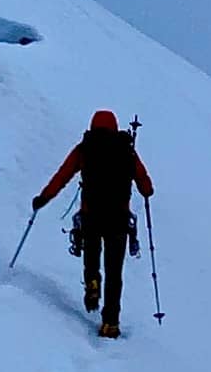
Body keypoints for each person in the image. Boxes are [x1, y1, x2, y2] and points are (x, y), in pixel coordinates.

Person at [34, 109, 152, 337]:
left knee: (92, 259)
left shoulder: (85, 149)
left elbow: (63, 175)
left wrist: (44, 198)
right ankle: (111, 323)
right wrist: (145, 188)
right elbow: (146, 186)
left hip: (91, 217)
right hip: (118, 220)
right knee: (115, 272)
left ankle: (92, 283)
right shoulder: (127, 151)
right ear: (116, 127)